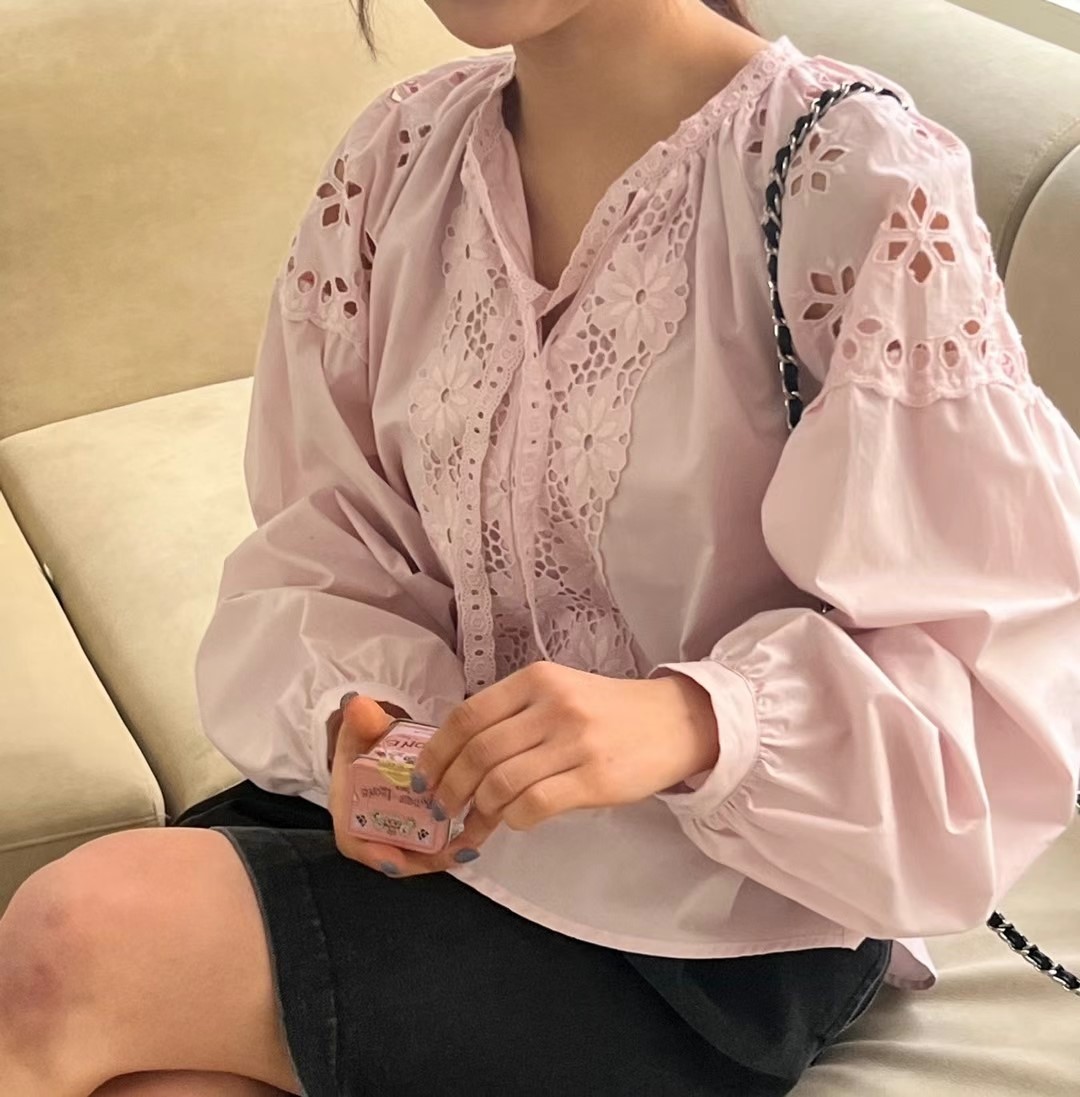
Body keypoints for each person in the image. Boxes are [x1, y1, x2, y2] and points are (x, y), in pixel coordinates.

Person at [3, 1, 1079, 1094]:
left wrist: (697, 718)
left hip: (728, 913)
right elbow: (329, 535)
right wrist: (360, 714)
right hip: (449, 829)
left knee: (76, 944)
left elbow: (986, 662)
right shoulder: (399, 162)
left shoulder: (850, 179)